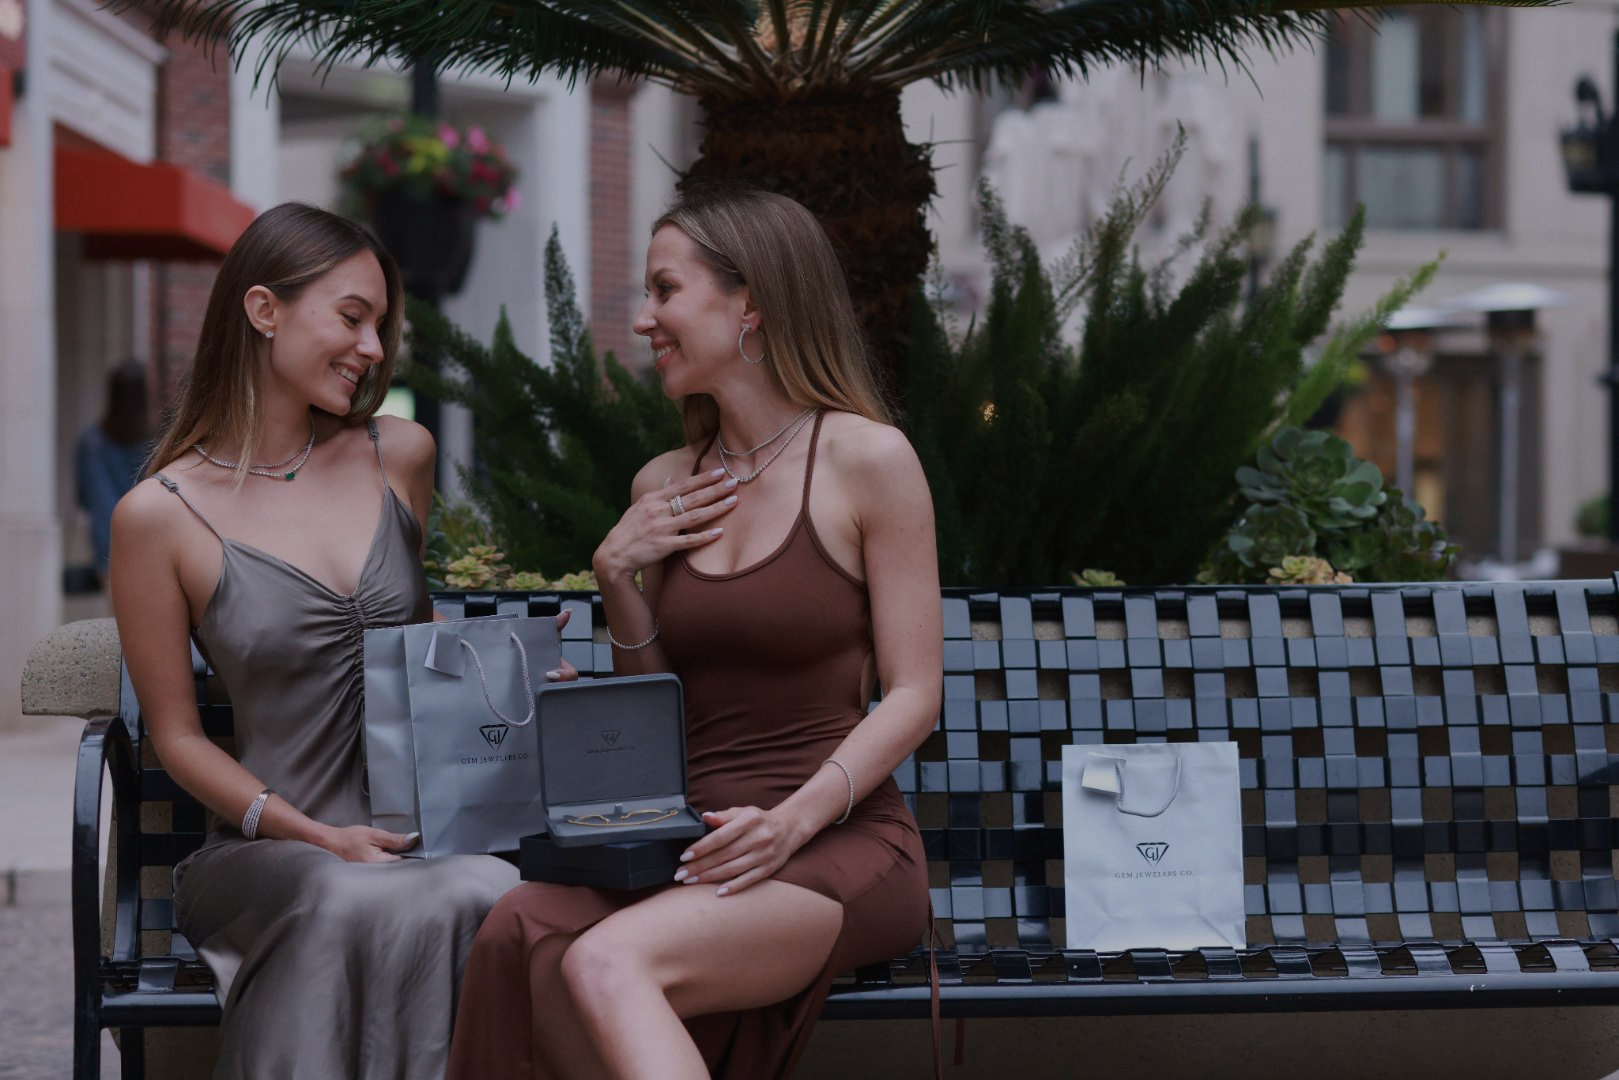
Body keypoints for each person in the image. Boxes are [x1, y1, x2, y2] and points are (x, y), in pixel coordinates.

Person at [447, 187, 943, 1079]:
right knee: (519, 933)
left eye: (664, 291)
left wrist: (789, 824)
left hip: (833, 838)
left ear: (749, 303)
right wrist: (615, 580)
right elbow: (661, 697)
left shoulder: (866, 460)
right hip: (684, 839)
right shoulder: (664, 483)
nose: (643, 320)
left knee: (601, 958)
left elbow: (913, 695)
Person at [108, 202, 572, 1080]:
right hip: (269, 852)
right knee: (342, 891)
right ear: (263, 310)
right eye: (351, 317)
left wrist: (513, 673)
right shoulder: (157, 517)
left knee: (486, 888)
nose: (372, 347)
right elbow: (173, 736)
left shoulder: (398, 454)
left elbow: (411, 635)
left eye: (380, 326)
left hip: (419, 838)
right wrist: (318, 836)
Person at [75, 359, 151, 580]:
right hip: (150, 544)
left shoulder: (91, 442)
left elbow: (83, 497)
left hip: (107, 545)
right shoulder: (154, 442)